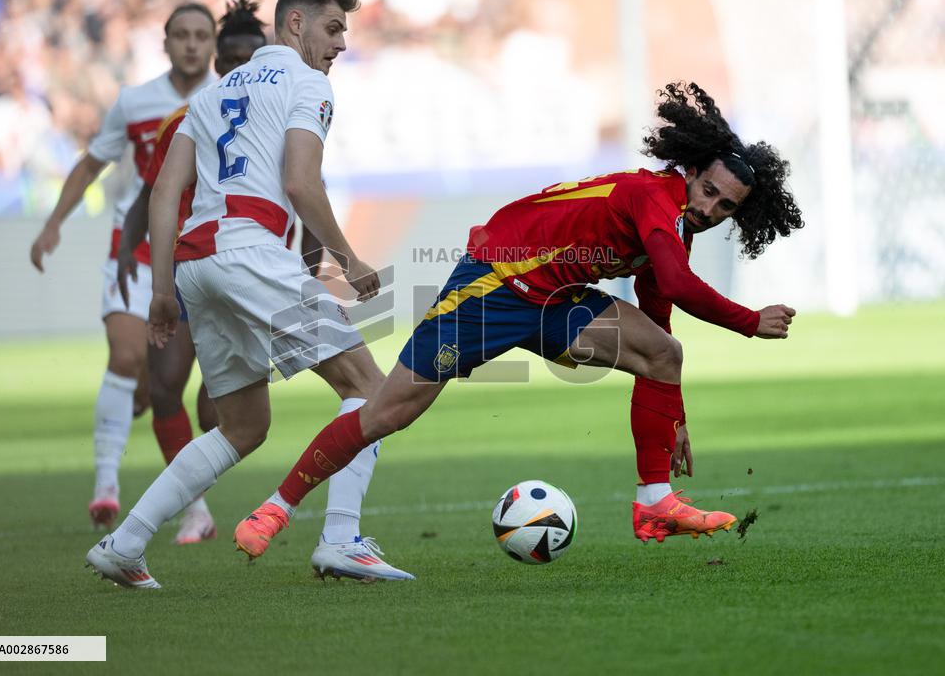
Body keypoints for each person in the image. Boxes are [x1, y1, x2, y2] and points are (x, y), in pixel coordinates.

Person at [230, 81, 805, 557]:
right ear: (691, 170)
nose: (710, 209)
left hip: (555, 302)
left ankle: (655, 501)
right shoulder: (655, 195)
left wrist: (671, 409)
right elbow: (680, 285)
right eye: (708, 190)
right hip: (494, 284)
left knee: (663, 354)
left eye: (726, 206)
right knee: (388, 412)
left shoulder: (676, 224)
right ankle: (276, 508)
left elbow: (659, 312)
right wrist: (751, 321)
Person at [85, 0, 412, 588]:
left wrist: (161, 288)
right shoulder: (308, 83)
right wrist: (349, 258)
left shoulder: (210, 96)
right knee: (372, 389)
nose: (341, 44)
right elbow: (300, 184)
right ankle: (342, 538)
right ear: (295, 24)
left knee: (242, 426)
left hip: (197, 264)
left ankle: (124, 544)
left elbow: (163, 191)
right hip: (254, 252)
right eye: (333, 28)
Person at [30, 3, 217, 529]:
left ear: (213, 43)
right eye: (181, 34)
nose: (191, 45)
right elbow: (93, 163)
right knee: (126, 353)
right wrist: (53, 224)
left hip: (201, 255)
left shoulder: (228, 95)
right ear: (165, 42)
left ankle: (189, 503)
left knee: (161, 391)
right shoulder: (136, 101)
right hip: (134, 248)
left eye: (201, 35)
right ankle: (108, 485)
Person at [115, 0, 271, 545]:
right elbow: (152, 193)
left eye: (253, 55)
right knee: (164, 389)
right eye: (231, 57)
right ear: (218, 61)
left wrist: (313, 261)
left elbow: (304, 192)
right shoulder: (187, 119)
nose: (240, 66)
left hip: (254, 268)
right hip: (190, 267)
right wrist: (127, 254)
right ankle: (195, 508)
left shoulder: (280, 115)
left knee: (220, 412)